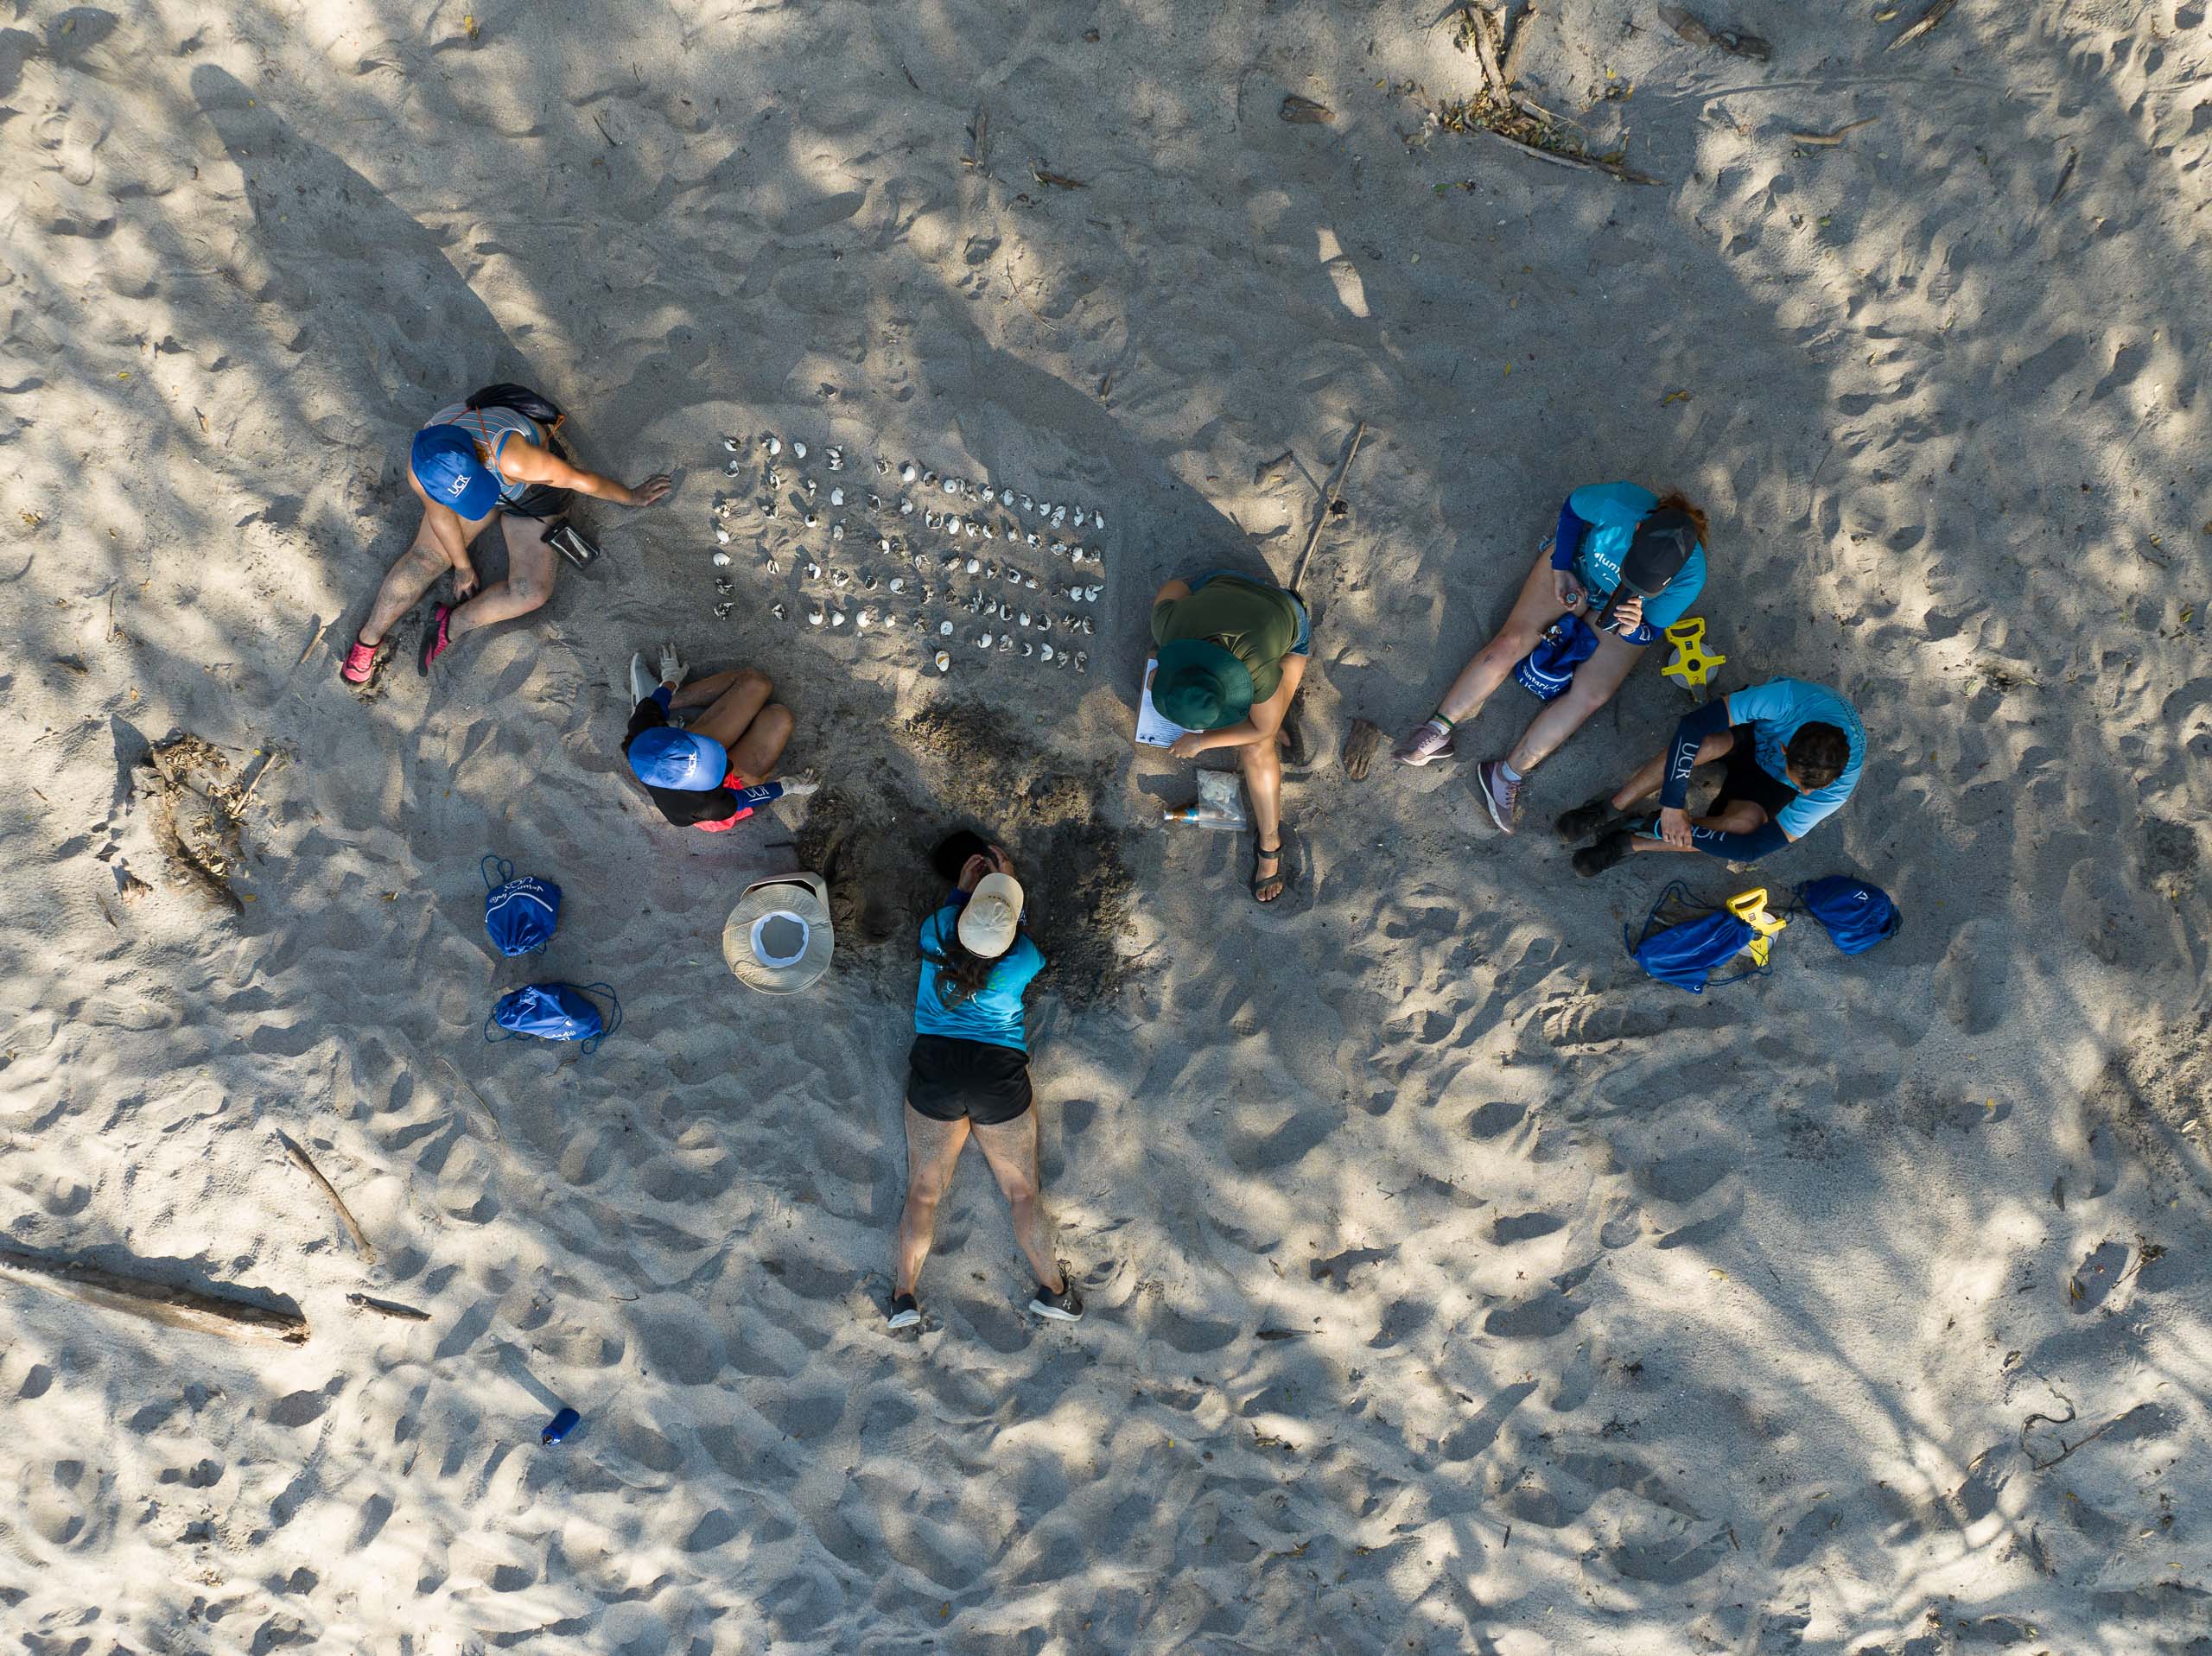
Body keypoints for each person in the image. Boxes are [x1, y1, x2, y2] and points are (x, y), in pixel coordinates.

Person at [1389, 482, 1712, 833]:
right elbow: (1573, 510)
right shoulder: (1620, 504)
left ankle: (1507, 774)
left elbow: (1651, 630)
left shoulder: (1691, 576)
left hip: (1623, 615)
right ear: (1637, 530)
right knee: (1512, 641)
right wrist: (1561, 568)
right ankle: (1437, 729)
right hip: (1577, 568)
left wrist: (1633, 629)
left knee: (1591, 696)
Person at [340, 385, 671, 683]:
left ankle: (451, 625)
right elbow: (441, 517)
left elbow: (579, 479)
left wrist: (631, 496)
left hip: (529, 492)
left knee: (531, 592)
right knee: (425, 557)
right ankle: (368, 638)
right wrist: (463, 567)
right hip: (485, 481)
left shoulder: (517, 459)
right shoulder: (423, 468)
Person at [888, 843, 1083, 1329]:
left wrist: (962, 890)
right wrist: (1006, 889)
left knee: (924, 1193)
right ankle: (1055, 1293)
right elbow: (1013, 935)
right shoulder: (1022, 959)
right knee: (1021, 1194)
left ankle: (904, 1297)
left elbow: (957, 921)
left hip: (937, 1064)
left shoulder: (935, 930)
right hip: (998, 1072)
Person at [1558, 676, 1866, 875]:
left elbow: (1753, 848)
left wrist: (1662, 824)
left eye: (1813, 789)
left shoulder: (1835, 787)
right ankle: (1609, 808)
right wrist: (1672, 804)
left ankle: (1630, 841)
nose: (1808, 796)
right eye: (1803, 786)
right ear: (1784, 750)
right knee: (1706, 743)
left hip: (1772, 784)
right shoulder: (1788, 699)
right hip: (1753, 737)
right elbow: (1693, 726)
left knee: (1743, 827)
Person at [1150, 568, 1311, 902]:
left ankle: (1270, 842)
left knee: (1258, 744)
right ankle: (1269, 708)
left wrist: (1201, 741)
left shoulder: (1253, 667)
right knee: (1154, 655)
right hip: (1226, 583)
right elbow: (1177, 584)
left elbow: (1261, 729)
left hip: (1286, 612)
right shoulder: (1166, 627)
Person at [622, 644, 815, 832]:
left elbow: (658, 701)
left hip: (684, 754)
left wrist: (671, 680)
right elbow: (742, 799)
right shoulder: (699, 807)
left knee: (757, 684)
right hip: (724, 793)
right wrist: (786, 786)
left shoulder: (643, 725)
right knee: (779, 718)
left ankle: (671, 702)